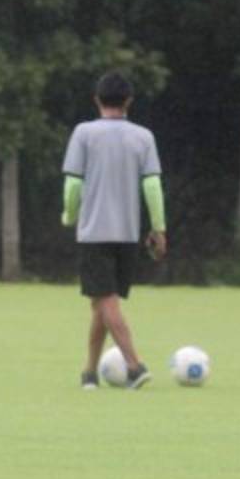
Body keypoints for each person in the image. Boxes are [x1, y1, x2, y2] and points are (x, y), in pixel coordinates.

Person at [61, 71, 166, 390]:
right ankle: (89, 373)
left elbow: (74, 183)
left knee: (105, 302)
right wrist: (158, 228)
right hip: (128, 233)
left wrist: (70, 214)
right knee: (102, 303)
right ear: (129, 101)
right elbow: (152, 185)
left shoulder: (83, 133)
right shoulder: (144, 137)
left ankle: (134, 367)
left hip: (94, 232)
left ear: (97, 99)